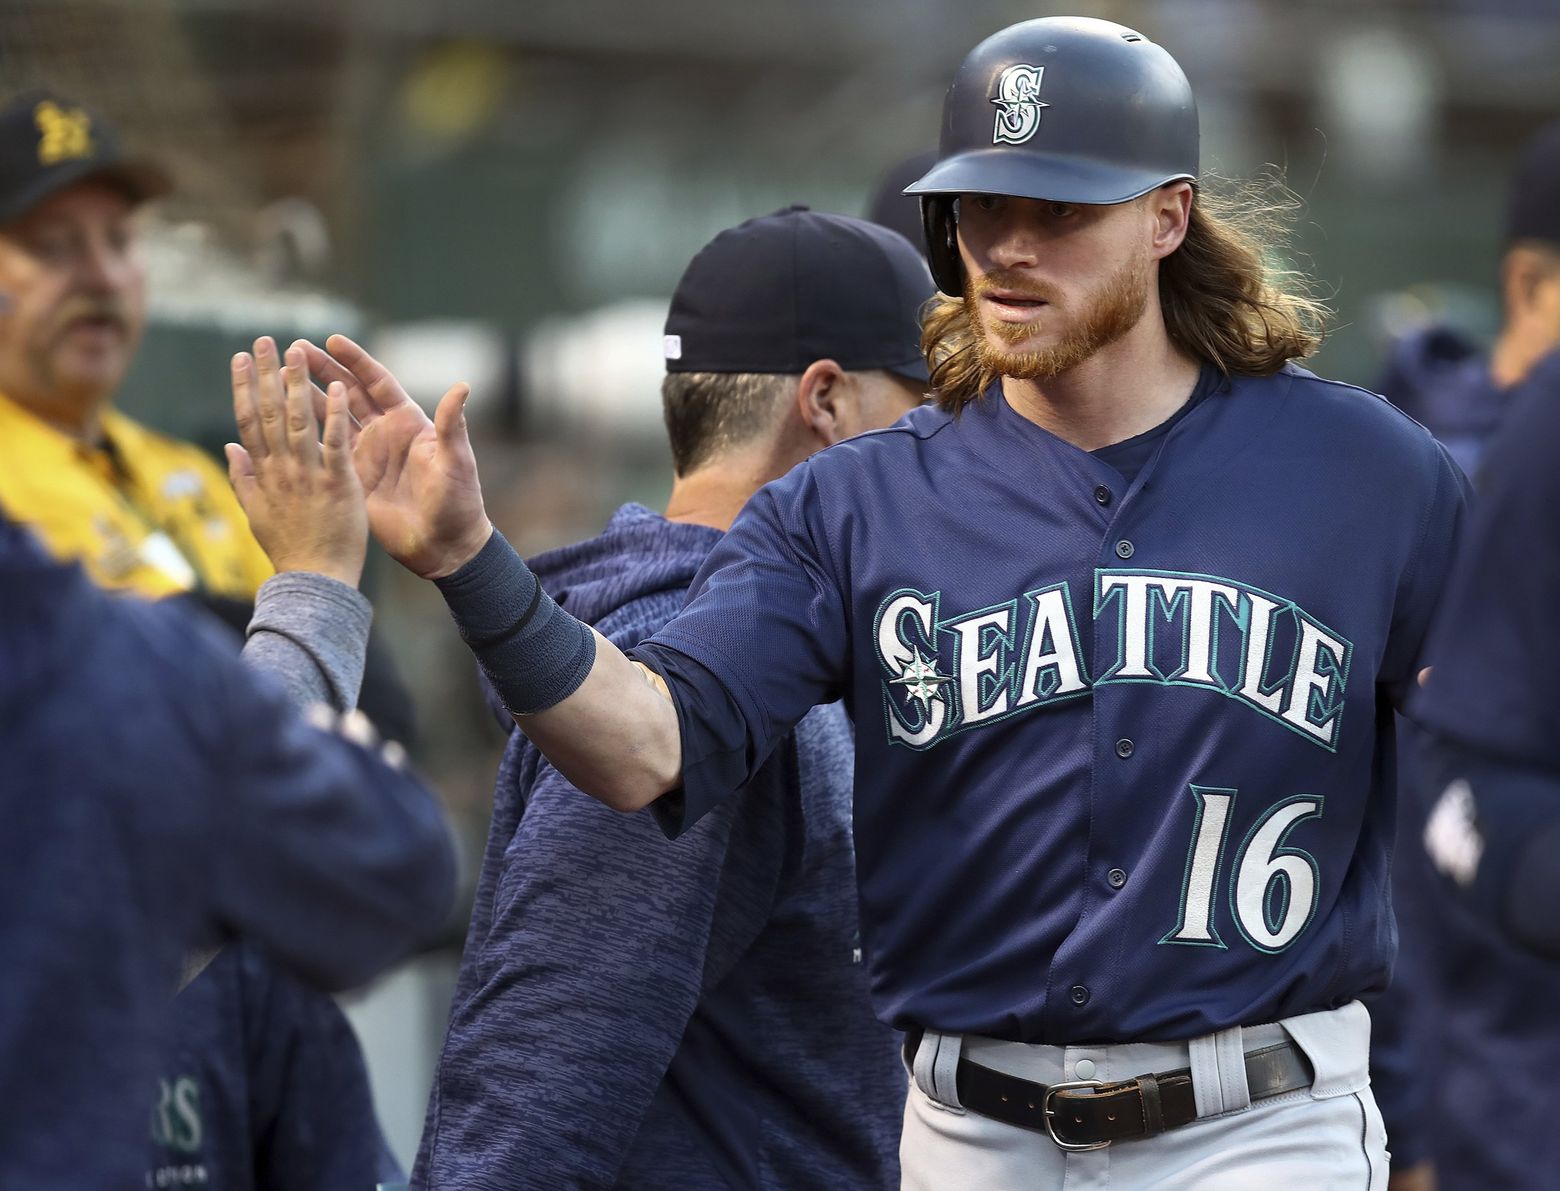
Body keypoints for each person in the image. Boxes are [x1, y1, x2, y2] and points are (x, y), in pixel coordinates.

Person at [298, 17, 1466, 1187]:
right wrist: (471, 561)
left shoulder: (1366, 473)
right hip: (970, 1131)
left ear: (1167, 217)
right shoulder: (858, 502)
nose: (1009, 247)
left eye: (1058, 211)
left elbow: (1492, 757)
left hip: (1256, 1122)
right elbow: (647, 746)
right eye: (982, 208)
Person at [413, 207, 927, 1189]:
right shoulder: (690, 665)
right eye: (928, 407)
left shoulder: (763, 649)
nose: (953, 451)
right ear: (829, 404)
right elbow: (531, 1097)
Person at [0, 89, 416, 1187]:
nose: (98, 273)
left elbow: (384, 726)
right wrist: (306, 588)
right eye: (50, 244)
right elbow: (176, 757)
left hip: (255, 992)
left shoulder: (200, 474)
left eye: (117, 241)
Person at [1368, 120, 1560, 1191]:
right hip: (1498, 1085)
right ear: (1528, 285)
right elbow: (1440, 803)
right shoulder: (1482, 463)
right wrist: (1410, 1124)